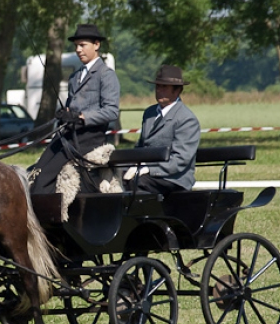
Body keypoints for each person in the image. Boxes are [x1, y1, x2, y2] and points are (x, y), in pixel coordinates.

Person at [30, 24, 120, 194]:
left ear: (96, 45)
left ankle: (52, 215)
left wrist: (81, 117)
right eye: (76, 46)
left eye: (82, 45)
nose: (78, 50)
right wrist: (66, 114)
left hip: (89, 138)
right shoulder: (74, 77)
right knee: (36, 171)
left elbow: (111, 111)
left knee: (46, 177)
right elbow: (72, 106)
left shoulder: (106, 75)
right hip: (68, 135)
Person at [124, 64, 200, 195]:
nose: (159, 90)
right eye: (157, 86)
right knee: (115, 175)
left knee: (138, 181)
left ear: (177, 91)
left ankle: (145, 214)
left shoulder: (186, 119)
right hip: (148, 173)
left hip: (174, 178)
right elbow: (141, 146)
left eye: (164, 87)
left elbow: (179, 160)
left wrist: (149, 169)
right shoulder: (150, 113)